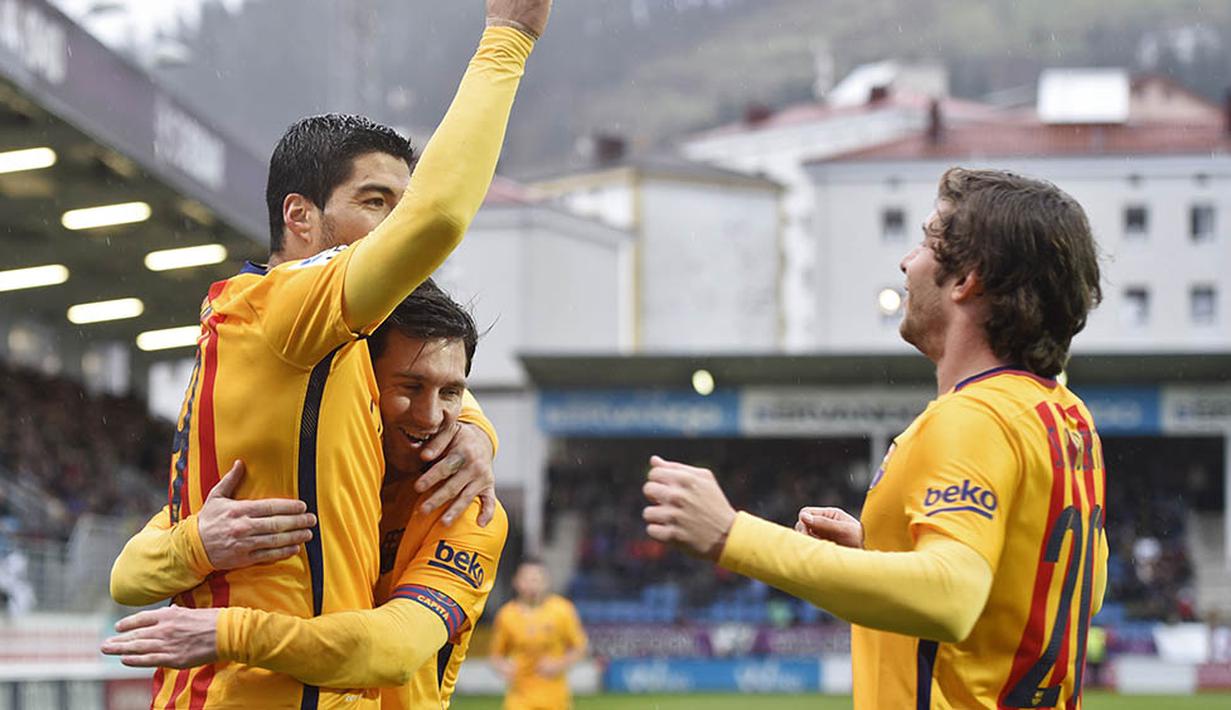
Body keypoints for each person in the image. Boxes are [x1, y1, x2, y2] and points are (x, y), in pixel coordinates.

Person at [107, 1, 551, 707]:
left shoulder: (342, 364)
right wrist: (509, 40)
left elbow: (130, 570)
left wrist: (473, 428)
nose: (395, 228)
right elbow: (437, 220)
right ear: (299, 217)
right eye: (377, 201)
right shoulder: (282, 309)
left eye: (449, 392)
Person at [642, 167, 1108, 709]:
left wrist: (732, 536)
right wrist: (881, 553)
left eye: (927, 240)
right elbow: (1074, 589)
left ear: (967, 280)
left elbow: (952, 598)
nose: (907, 261)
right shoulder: (1067, 418)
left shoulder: (972, 417)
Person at [104, 281, 506, 710]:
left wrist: (229, 633)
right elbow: (127, 578)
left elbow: (396, 650)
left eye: (451, 394)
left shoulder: (467, 508)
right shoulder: (295, 471)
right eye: (410, 388)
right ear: (363, 386)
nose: (431, 416)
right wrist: (199, 542)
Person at [490, 559, 588, 710]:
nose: (532, 584)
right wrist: (504, 667)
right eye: (527, 579)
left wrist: (559, 664)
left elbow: (581, 647)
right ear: (516, 581)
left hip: (555, 698)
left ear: (546, 582)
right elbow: (496, 656)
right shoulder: (506, 615)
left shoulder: (563, 610)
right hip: (519, 698)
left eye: (536, 579)